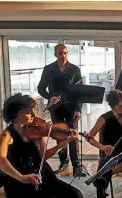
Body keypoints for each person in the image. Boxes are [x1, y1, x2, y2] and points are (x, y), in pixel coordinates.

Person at [0, 93, 84, 198]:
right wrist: (21, 177)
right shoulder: (7, 135)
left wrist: (64, 142)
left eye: (33, 110)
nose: (33, 114)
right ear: (17, 115)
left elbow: (44, 156)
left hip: (44, 178)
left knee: (76, 197)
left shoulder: (37, 130)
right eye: (28, 111)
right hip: (20, 184)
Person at [37, 44, 85, 176]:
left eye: (65, 53)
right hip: (56, 108)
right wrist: (49, 97)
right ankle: (64, 161)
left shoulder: (75, 69)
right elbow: (41, 88)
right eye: (60, 53)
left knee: (73, 135)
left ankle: (77, 166)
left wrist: (78, 109)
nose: (63, 55)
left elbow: (80, 92)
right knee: (59, 135)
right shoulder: (48, 69)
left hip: (71, 107)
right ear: (55, 54)